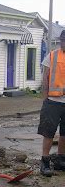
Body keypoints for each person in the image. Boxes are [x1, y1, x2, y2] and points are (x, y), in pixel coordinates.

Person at [39, 30, 65, 176]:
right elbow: (45, 79)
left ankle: (60, 160)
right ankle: (45, 161)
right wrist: (45, 100)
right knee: (48, 132)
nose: (63, 43)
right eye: (62, 40)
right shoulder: (52, 56)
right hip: (53, 101)